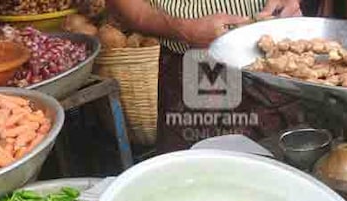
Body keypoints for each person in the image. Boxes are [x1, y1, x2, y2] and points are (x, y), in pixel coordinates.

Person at [106, 0, 317, 152]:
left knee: (282, 174)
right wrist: (183, 29)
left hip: (272, 60)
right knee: (190, 180)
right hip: (189, 64)